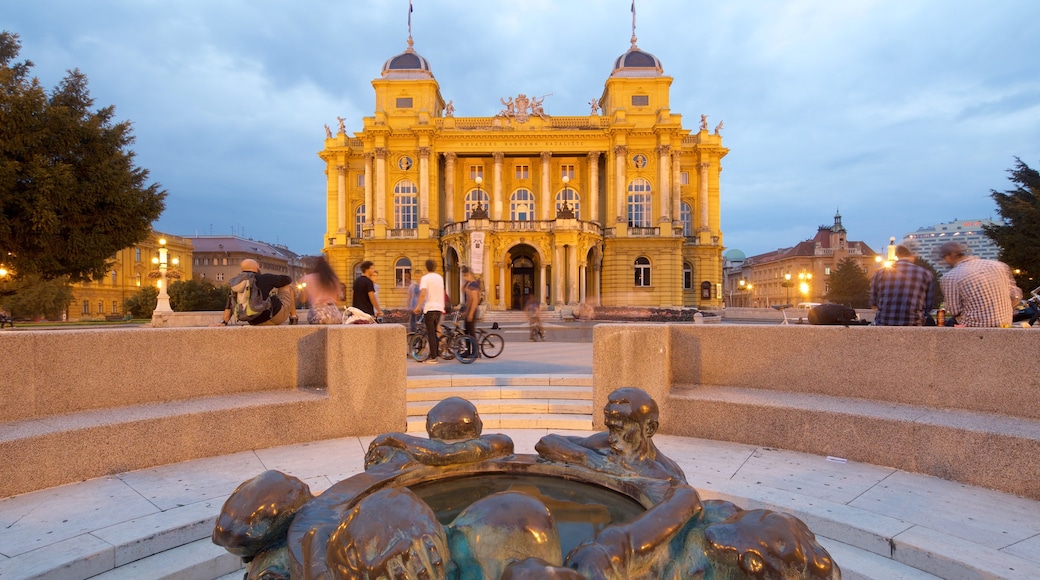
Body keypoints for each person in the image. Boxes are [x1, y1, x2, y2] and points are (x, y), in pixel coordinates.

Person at [535, 387, 685, 482]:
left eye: (619, 430)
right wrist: (589, 458)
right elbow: (546, 442)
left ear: (649, 429)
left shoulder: (670, 475)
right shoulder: (603, 443)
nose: (612, 438)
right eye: (610, 428)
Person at [938, 241, 1021, 327]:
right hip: (1005, 322)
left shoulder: (950, 276)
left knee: (944, 328)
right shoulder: (1000, 266)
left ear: (949, 256)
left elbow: (954, 310)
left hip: (973, 325)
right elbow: (1016, 295)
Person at [218, 259, 296, 326]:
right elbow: (288, 279)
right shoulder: (265, 278)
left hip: (254, 321)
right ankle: (293, 317)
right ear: (257, 267)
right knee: (287, 286)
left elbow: (229, 305)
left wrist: (224, 322)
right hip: (276, 316)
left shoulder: (235, 283)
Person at [870, 245, 934, 326]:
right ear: (913, 255)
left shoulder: (879, 273)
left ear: (897, 254)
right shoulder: (925, 274)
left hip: (884, 324)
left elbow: (874, 303)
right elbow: (929, 306)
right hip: (913, 325)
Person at [413, 258, 445, 364]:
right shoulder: (439, 278)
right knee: (435, 332)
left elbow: (423, 293)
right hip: (439, 308)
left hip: (430, 308)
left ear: (426, 267)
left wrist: (417, 306)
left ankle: (433, 358)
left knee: (431, 333)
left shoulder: (425, 278)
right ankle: (436, 353)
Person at [299, 255, 343, 325]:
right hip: (335, 316)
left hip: (318, 315)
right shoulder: (333, 280)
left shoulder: (307, 278)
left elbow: (303, 299)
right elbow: (338, 300)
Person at [461, 266, 480, 356]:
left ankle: (476, 352)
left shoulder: (474, 285)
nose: (464, 277)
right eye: (464, 276)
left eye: (466, 275)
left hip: (473, 310)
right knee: (466, 331)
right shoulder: (469, 284)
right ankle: (468, 350)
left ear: (470, 275)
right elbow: (468, 299)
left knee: (471, 332)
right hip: (468, 310)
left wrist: (471, 314)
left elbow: (475, 300)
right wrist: (466, 311)